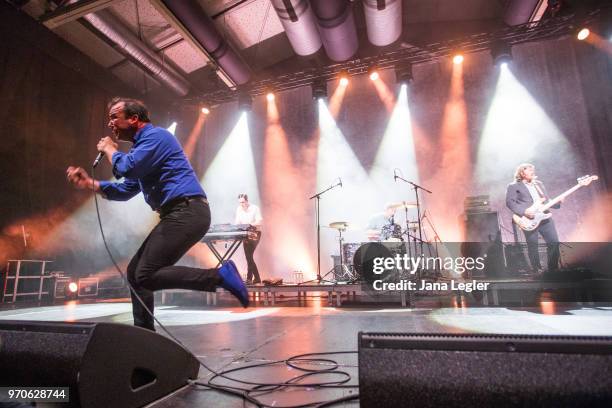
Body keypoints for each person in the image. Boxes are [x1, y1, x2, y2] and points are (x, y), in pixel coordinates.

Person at [66, 97, 249, 331]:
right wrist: (89, 183)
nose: (110, 123)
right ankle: (145, 335)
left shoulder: (156, 137)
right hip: (179, 212)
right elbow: (124, 190)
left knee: (145, 274)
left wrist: (111, 149)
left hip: (188, 210)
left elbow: (126, 168)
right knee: (135, 275)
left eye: (114, 117)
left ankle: (220, 276)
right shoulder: (141, 151)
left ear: (133, 118)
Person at [506, 163, 560, 274]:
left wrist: (558, 203)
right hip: (529, 219)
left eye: (532, 169)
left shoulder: (539, 184)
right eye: (529, 170)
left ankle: (553, 269)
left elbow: (546, 200)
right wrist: (524, 212)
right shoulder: (514, 186)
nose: (532, 171)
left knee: (554, 242)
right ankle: (537, 269)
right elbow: (510, 203)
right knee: (533, 245)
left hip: (544, 217)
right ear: (522, 173)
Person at [234, 194, 263, 284]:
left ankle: (250, 278)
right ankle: (254, 278)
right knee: (248, 257)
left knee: (249, 256)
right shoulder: (239, 209)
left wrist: (250, 224)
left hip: (255, 233)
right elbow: (237, 222)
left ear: (247, 201)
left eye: (243, 202)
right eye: (240, 202)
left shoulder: (255, 208)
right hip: (245, 234)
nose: (241, 204)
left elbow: (260, 221)